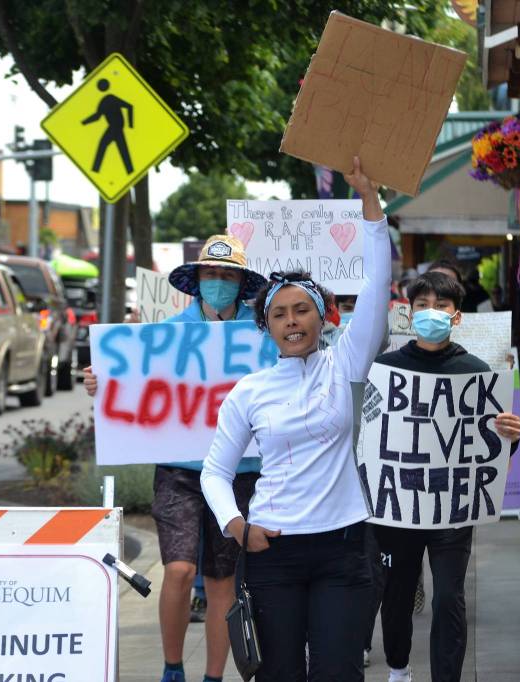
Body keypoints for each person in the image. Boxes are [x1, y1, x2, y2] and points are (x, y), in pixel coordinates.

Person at [200, 157, 389, 680]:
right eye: (279, 314)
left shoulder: (346, 362)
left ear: (320, 315)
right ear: (268, 328)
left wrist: (371, 207)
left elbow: (377, 285)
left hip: (345, 548)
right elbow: (214, 472)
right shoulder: (250, 391)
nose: (291, 321)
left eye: (301, 310)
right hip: (272, 552)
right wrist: (237, 527)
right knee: (280, 673)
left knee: (338, 671)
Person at [83, 234, 267, 682]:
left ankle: (214, 677)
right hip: (179, 471)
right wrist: (101, 384)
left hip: (239, 472)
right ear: (197, 280)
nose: (219, 282)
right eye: (211, 274)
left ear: (241, 283)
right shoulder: (165, 336)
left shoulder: (262, 336)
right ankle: (172, 667)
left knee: (223, 579)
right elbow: (132, 382)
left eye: (227, 275)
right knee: (180, 570)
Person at [372, 271, 520, 682]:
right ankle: (399, 670)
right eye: (422, 305)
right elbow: (367, 435)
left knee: (449, 598)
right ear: (408, 312)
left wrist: (508, 436)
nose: (431, 313)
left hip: (452, 509)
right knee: (397, 593)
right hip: (399, 508)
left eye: (441, 306)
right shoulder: (384, 370)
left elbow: (490, 451)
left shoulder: (476, 373)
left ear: (457, 317)